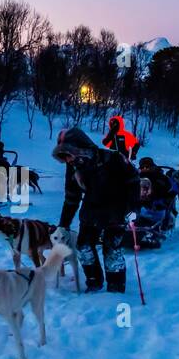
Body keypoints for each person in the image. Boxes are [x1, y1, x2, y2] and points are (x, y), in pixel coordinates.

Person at [52, 126, 141, 293]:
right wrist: (63, 225)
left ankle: (116, 286)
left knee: (111, 247)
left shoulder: (112, 158)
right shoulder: (74, 169)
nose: (68, 161)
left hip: (117, 208)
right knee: (83, 245)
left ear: (79, 148)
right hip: (91, 210)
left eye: (68, 155)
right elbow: (72, 197)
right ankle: (93, 281)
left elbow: (133, 180)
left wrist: (133, 208)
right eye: (64, 158)